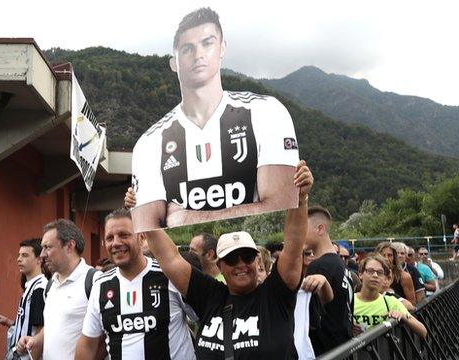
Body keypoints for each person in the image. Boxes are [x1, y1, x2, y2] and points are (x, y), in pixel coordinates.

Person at [130, 7, 300, 231]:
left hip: (254, 261)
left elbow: (283, 210)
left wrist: (189, 218)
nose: (198, 54)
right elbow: (146, 234)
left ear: (222, 48)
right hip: (187, 265)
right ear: (174, 63)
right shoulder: (149, 143)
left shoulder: (267, 112)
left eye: (207, 43)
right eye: (187, 49)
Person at [141, 160, 311, 359]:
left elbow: (293, 247)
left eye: (247, 257)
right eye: (231, 259)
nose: (241, 264)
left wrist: (300, 198)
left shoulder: (274, 296)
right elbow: (170, 258)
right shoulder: (210, 296)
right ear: (220, 265)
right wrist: (143, 210)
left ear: (257, 261)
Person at [75, 208, 195, 360]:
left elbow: (204, 319)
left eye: (124, 235)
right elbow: (87, 343)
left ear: (141, 237)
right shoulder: (101, 285)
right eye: (110, 238)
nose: (116, 243)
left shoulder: (168, 275)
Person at [17, 219, 101, 360]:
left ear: (69, 246)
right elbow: (52, 326)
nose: (42, 254)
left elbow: (106, 337)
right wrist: (36, 340)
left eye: (48, 247)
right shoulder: (50, 285)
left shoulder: (95, 281)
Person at [304, 206, 355, 356]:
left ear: (320, 229)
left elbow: (310, 317)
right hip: (343, 345)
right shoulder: (340, 264)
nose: (298, 234)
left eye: (302, 228)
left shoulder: (320, 266)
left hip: (325, 349)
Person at [0, 239, 47, 359]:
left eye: (25, 255)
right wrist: (8, 321)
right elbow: (28, 324)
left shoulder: (39, 289)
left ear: (39, 260)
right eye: (19, 255)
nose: (19, 259)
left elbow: (40, 333)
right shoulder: (30, 286)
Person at [353, 254, 427, 339]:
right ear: (360, 274)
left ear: (385, 278)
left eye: (380, 273)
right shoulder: (349, 301)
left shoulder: (390, 302)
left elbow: (423, 332)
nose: (375, 275)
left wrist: (402, 315)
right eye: (370, 271)